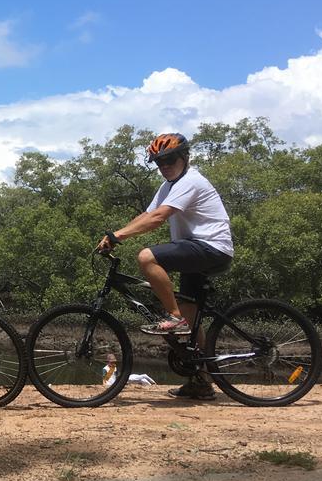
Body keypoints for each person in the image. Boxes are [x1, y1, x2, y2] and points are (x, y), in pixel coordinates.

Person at [95, 132, 233, 400]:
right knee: (193, 321)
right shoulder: (169, 185)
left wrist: (119, 236)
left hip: (211, 247)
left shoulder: (191, 181)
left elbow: (158, 218)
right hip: (197, 250)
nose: (164, 166)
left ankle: (174, 317)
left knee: (147, 257)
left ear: (184, 157)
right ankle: (201, 382)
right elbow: (147, 214)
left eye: (169, 160)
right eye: (159, 162)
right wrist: (115, 234)